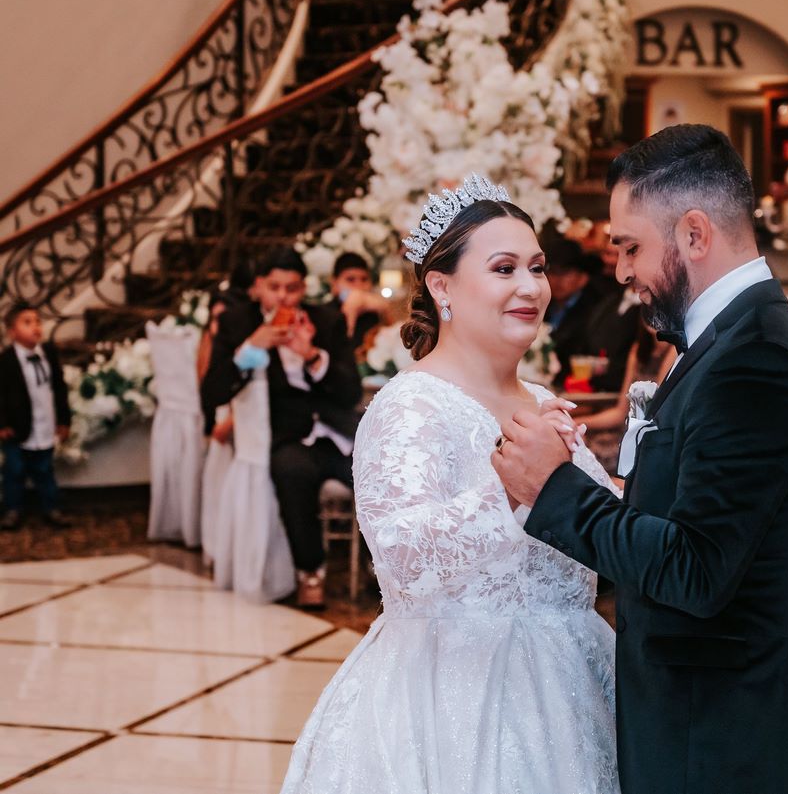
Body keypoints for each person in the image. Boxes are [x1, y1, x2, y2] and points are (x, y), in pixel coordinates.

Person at [493, 125, 788, 794]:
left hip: (737, 735)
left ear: (694, 234)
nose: (622, 271)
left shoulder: (757, 361)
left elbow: (696, 569)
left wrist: (554, 489)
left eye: (631, 247)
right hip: (710, 718)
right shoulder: (730, 341)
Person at [280, 177, 619, 793]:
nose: (530, 286)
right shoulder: (411, 406)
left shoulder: (540, 400)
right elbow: (404, 561)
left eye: (537, 267)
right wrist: (513, 486)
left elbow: (605, 527)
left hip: (577, 687)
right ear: (441, 287)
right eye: (504, 268)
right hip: (458, 699)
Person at [200, 248, 360, 608]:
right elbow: (212, 393)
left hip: (337, 431)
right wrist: (250, 349)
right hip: (285, 435)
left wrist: (312, 356)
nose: (284, 297)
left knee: (381, 469)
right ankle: (310, 571)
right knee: (292, 473)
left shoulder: (327, 320)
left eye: (292, 288)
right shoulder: (238, 323)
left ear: (304, 288)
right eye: (275, 288)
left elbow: (350, 392)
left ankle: (386, 567)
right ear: (258, 286)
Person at [0, 303, 71, 530]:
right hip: (16, 429)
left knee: (45, 470)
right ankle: (12, 510)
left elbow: (59, 388)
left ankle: (51, 508)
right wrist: (2, 424)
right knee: (14, 471)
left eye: (37, 321)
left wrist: (64, 420)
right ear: (12, 332)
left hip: (45, 425)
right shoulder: (6, 360)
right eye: (27, 322)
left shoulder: (48, 353)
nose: (35, 327)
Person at [576, 322, 676, 476]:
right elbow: (620, 412)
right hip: (626, 428)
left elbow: (655, 410)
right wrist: (577, 423)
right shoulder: (638, 350)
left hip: (648, 433)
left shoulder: (674, 350)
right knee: (577, 441)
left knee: (585, 452)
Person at [545, 236, 640, 392]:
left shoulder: (594, 305)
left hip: (603, 387)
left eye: (565, 272)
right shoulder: (610, 303)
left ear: (583, 277)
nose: (557, 280)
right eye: (552, 272)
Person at [329, 251, 389, 350]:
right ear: (334, 283)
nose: (358, 286)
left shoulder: (377, 313)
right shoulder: (323, 315)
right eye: (350, 279)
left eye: (364, 279)